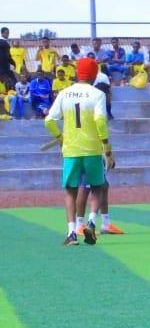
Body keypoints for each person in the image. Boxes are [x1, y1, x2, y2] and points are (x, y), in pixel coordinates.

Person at [44, 57, 114, 246]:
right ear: (94, 75)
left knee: (70, 191)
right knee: (97, 186)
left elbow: (49, 120)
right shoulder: (97, 94)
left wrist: (60, 137)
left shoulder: (64, 93)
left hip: (71, 150)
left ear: (77, 73)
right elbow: (100, 120)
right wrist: (106, 146)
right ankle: (91, 222)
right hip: (92, 149)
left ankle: (72, 233)